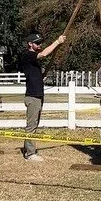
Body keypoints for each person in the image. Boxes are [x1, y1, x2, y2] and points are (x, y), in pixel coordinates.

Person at [19, 31, 65, 162]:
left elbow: (34, 73)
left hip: (38, 95)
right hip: (32, 96)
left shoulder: (33, 58)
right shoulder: (28, 55)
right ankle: (30, 154)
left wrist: (41, 76)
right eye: (37, 43)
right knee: (31, 126)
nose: (40, 45)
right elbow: (44, 54)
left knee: (34, 125)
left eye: (40, 42)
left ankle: (29, 149)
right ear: (30, 44)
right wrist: (57, 41)